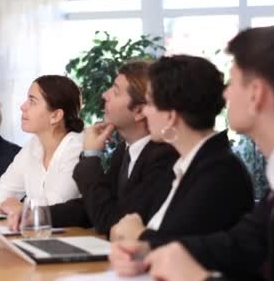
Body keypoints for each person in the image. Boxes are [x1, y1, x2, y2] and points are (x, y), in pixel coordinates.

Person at [111, 25, 274, 281]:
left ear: (256, 94)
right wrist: (150, 248)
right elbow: (245, 240)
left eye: (233, 82)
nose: (224, 95)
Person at [110, 55, 254, 247]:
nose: (144, 112)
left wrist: (139, 235)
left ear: (170, 116)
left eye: (150, 104)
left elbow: (183, 249)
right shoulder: (184, 165)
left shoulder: (219, 172)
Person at [45, 60, 178, 234]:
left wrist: (91, 156)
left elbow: (111, 222)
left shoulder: (164, 157)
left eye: (115, 92)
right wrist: (38, 214)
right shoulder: (124, 150)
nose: (105, 95)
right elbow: (91, 207)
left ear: (139, 111)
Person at [0, 75, 84, 219]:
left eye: (32, 101)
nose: (23, 106)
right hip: (39, 237)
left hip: (70, 238)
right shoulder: (32, 146)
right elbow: (0, 194)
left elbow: (55, 208)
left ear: (55, 116)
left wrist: (21, 208)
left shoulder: (77, 148)